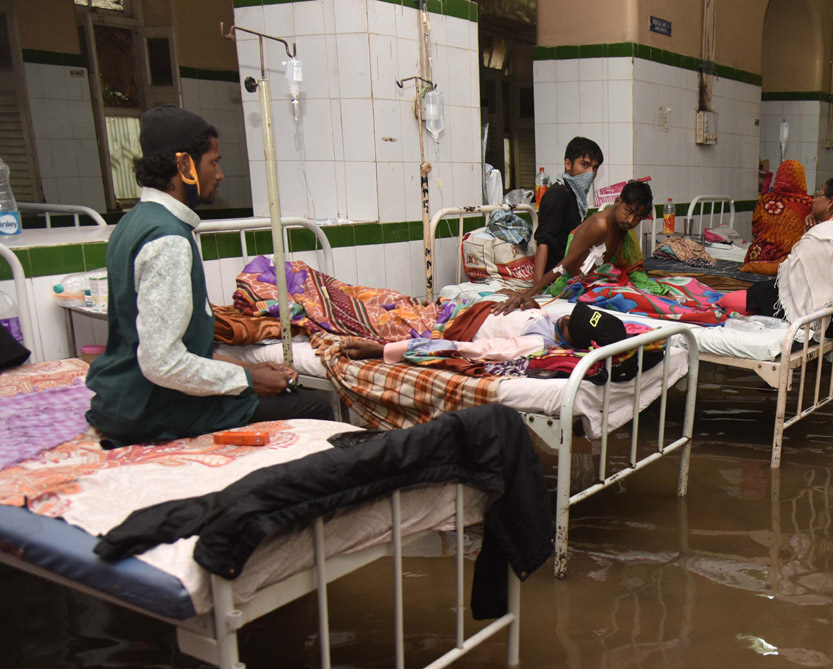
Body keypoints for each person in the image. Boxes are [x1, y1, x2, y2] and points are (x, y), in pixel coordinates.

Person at [86, 105, 333, 447]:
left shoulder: (135, 221)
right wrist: (246, 379)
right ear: (185, 165)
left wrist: (247, 371)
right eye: (213, 162)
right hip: (151, 408)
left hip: (127, 398)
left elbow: (172, 345)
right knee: (313, 407)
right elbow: (162, 364)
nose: (219, 174)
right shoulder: (168, 238)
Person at [717, 177, 833, 322]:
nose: (813, 198)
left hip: (812, 315)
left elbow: (792, 273)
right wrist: (810, 230)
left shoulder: (825, 233)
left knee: (745, 297)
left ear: (830, 202)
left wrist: (812, 232)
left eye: (818, 194)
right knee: (756, 293)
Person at [499, 180, 656, 312]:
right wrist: (530, 293)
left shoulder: (622, 227)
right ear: (617, 201)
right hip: (579, 287)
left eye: (638, 217)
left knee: (653, 294)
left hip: (602, 282)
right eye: (628, 212)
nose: (631, 220)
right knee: (640, 302)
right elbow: (565, 264)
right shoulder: (599, 225)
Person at [501, 137, 603, 309]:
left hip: (571, 271)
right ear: (568, 164)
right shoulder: (558, 195)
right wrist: (536, 291)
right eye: (584, 165)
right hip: (555, 277)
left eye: (594, 168)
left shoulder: (575, 196)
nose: (590, 173)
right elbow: (544, 243)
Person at [342, 300, 627, 361]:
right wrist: (532, 304)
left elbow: (476, 350)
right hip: (455, 308)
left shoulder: (537, 344)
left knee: (360, 311)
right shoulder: (554, 320)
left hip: (446, 326)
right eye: (572, 315)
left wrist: (383, 350)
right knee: (383, 300)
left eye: (569, 324)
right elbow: (554, 317)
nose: (564, 318)